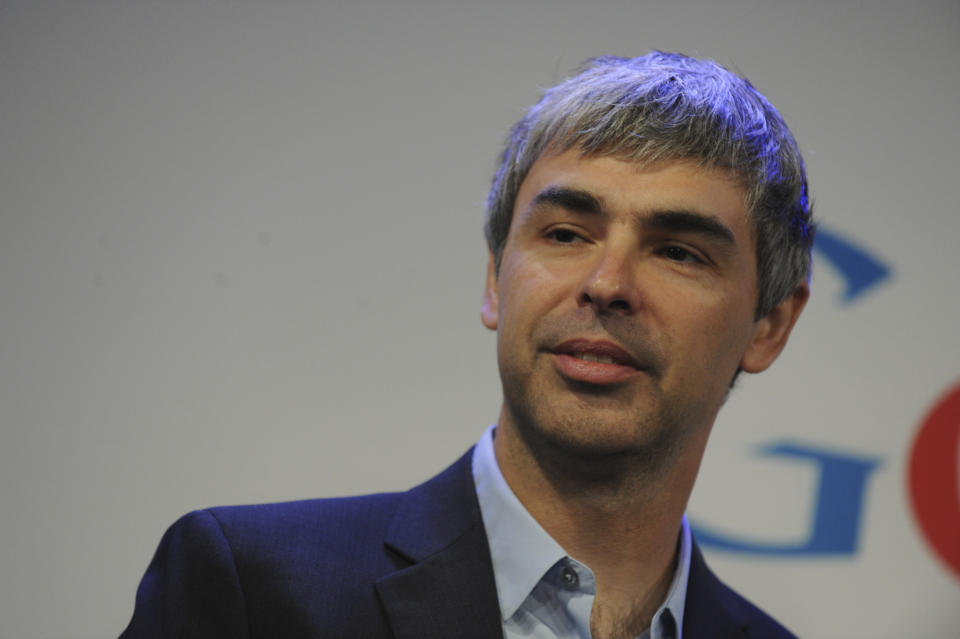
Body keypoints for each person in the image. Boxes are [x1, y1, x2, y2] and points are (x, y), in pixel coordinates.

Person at [120, 51, 813, 639]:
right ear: (493, 277)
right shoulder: (253, 591)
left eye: (678, 251)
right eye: (566, 234)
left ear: (769, 325)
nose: (608, 284)